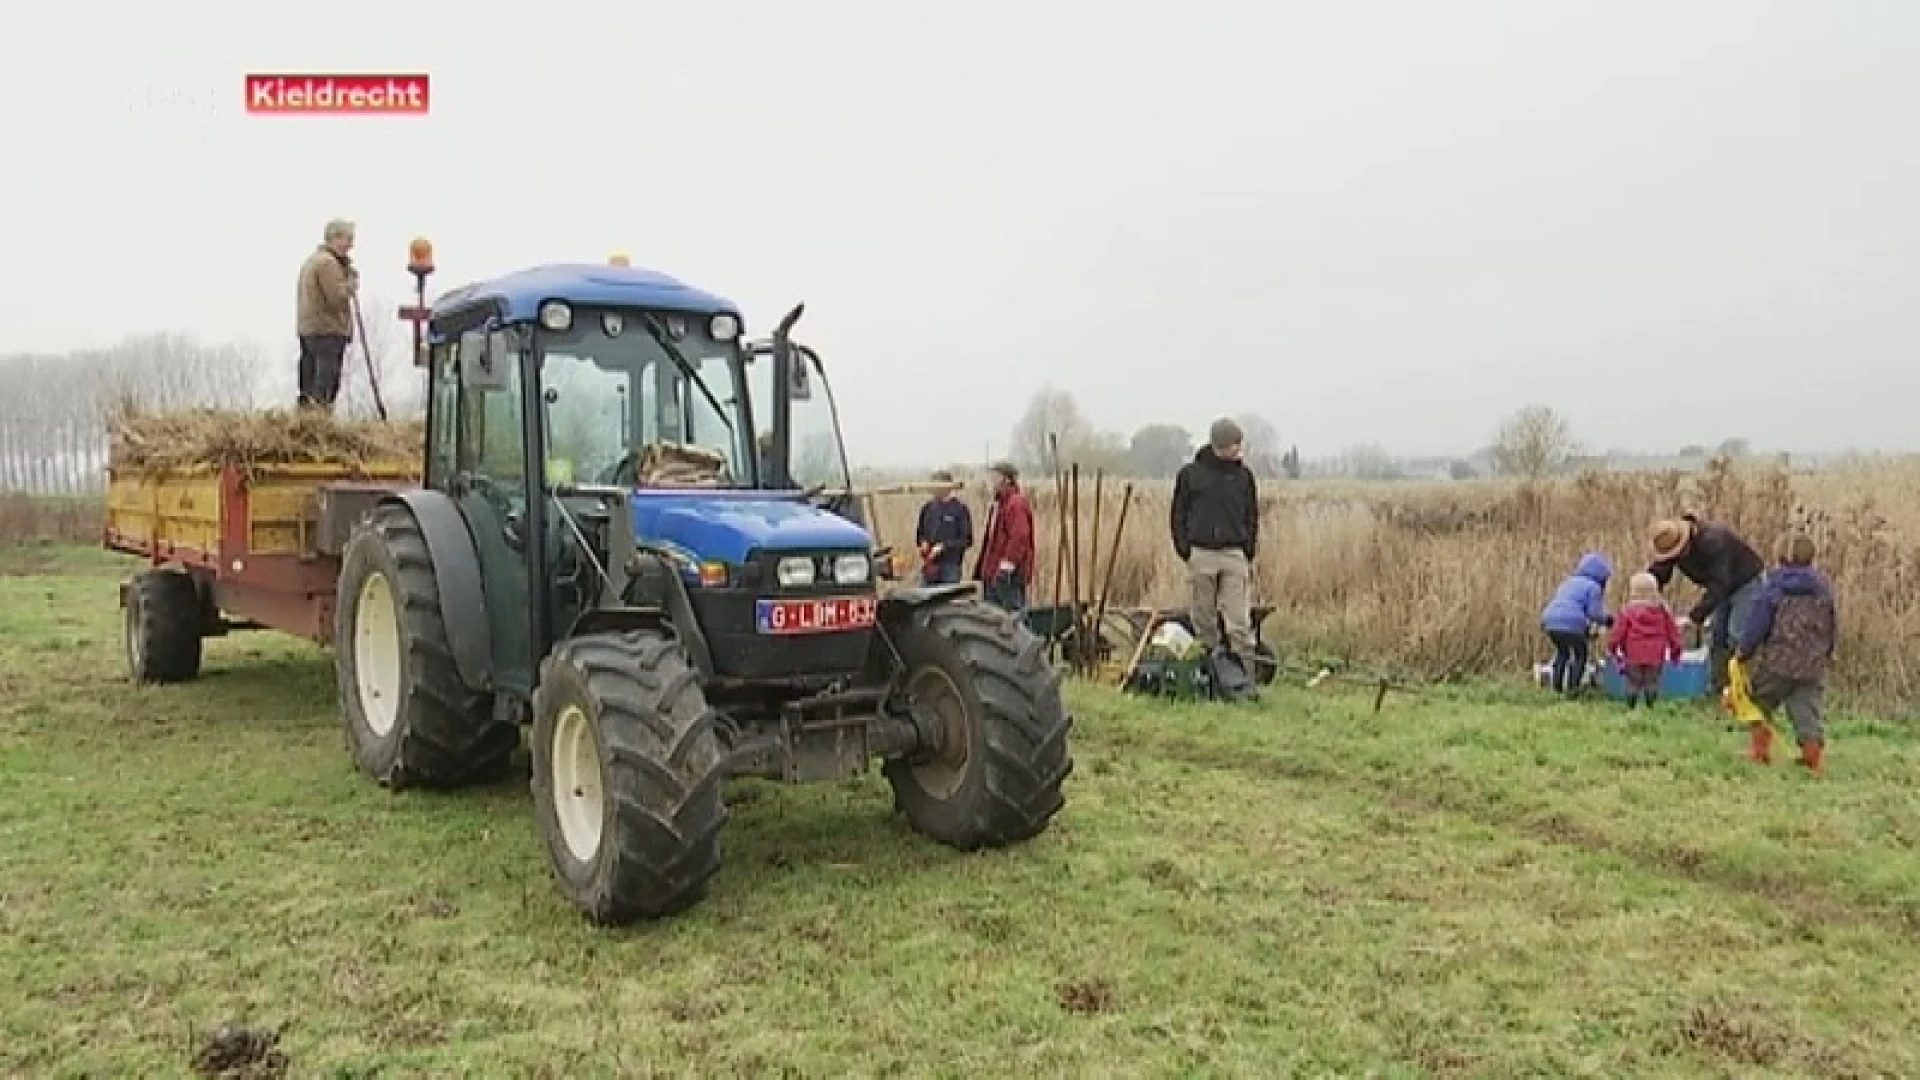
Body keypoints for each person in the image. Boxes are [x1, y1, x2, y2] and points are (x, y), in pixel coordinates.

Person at [1733, 531, 1837, 773]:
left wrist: (1743, 652)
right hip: (1813, 664)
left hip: (1778, 662)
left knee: (1758, 702)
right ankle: (1813, 758)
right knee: (1807, 710)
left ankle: (1759, 751)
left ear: (1779, 557)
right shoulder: (1823, 590)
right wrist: (1828, 652)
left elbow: (1757, 624)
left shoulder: (1773, 588)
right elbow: (1832, 625)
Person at [1171, 417, 1260, 687]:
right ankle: (1210, 677)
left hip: (1234, 555)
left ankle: (1245, 680)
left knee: (1239, 623)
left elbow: (1252, 515)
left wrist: (1247, 549)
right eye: (1235, 444)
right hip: (1201, 555)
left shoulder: (1244, 477)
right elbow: (1178, 514)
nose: (1239, 449)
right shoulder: (1191, 475)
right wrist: (1185, 549)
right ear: (1221, 445)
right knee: (1204, 622)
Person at [1646, 514, 1766, 695]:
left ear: (1685, 543)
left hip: (1746, 582)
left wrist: (1695, 617)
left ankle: (1745, 690)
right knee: (1717, 636)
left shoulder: (1713, 542)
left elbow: (1719, 584)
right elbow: (1660, 572)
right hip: (1720, 586)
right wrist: (1649, 594)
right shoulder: (1671, 542)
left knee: (1737, 636)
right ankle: (1718, 687)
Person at [296, 219, 359, 410]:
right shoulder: (328, 264)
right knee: (325, 385)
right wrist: (350, 284)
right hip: (327, 331)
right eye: (348, 239)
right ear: (335, 237)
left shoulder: (313, 261)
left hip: (310, 330)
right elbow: (336, 298)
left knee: (309, 382)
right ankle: (319, 420)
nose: (351, 245)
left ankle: (308, 419)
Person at [1539, 552, 1613, 696]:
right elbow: (1594, 613)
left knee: (1562, 653)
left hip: (1550, 621)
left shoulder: (1568, 582)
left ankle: (1557, 688)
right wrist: (1608, 620)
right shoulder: (1593, 587)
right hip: (1571, 623)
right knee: (1581, 655)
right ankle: (1573, 689)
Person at [1607, 571, 1683, 708]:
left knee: (1633, 682)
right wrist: (1675, 652)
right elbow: (1674, 634)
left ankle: (1631, 707)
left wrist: (1613, 648)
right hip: (1656, 656)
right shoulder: (1663, 611)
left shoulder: (1628, 612)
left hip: (1633, 655)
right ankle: (1650, 706)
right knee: (1652, 682)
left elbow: (1617, 633)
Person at [973, 461, 1034, 612]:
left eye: (995, 477)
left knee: (1012, 619)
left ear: (1006, 480)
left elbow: (1019, 537)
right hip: (993, 574)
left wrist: (1007, 566)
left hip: (1007, 577)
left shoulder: (1015, 503)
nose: (991, 481)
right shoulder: (999, 504)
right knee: (991, 620)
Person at [914, 470, 973, 585]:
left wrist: (944, 546)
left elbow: (966, 540)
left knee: (948, 600)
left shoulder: (960, 509)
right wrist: (923, 542)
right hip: (930, 565)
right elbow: (919, 534)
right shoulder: (927, 508)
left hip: (950, 567)